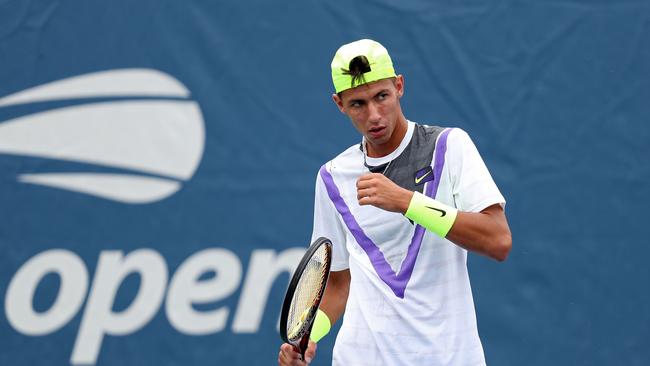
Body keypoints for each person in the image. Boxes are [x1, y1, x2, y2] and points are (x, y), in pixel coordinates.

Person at [278, 39, 512, 366]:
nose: (374, 115)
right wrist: (309, 335)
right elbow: (337, 283)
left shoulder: (450, 146)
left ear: (399, 86)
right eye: (358, 103)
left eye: (382, 97)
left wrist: (407, 202)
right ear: (339, 104)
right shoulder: (333, 177)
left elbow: (498, 240)